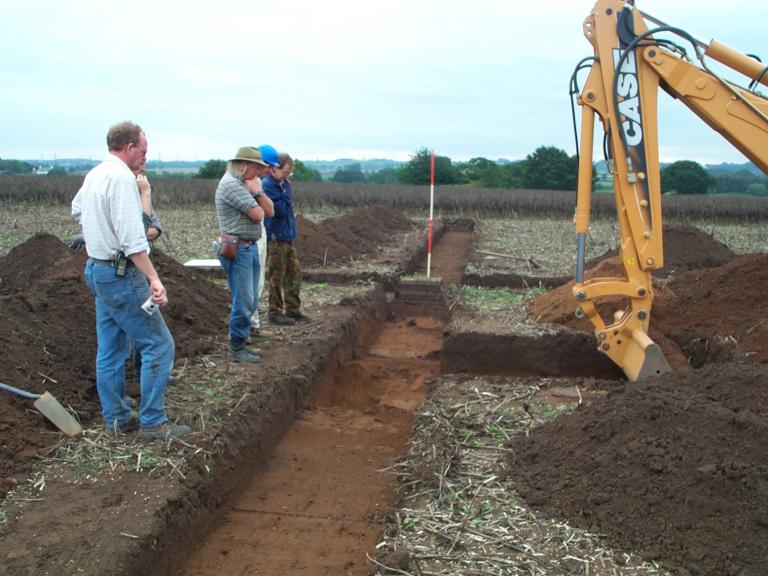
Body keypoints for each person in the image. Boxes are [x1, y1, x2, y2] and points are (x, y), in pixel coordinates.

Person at [71, 121, 190, 440]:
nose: (146, 159)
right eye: (144, 152)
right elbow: (132, 239)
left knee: (110, 347)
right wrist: (153, 277)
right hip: (123, 276)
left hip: (98, 271)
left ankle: (116, 418)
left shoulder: (95, 174)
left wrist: (96, 233)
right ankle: (152, 422)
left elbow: (77, 209)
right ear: (129, 148)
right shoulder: (122, 179)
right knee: (158, 344)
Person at [215, 145, 278, 363]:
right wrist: (256, 193)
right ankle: (236, 348)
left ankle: (241, 342)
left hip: (248, 247)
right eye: (256, 168)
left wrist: (258, 191)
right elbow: (258, 214)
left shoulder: (244, 184)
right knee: (244, 301)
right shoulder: (232, 185)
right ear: (245, 166)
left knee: (250, 300)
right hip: (238, 249)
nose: (258, 173)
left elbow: (271, 211)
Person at [262, 152, 311, 325]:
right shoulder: (268, 186)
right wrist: (284, 191)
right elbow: (279, 210)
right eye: (285, 172)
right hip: (276, 238)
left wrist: (284, 188)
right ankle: (275, 312)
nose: (288, 176)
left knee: (294, 274)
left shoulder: (284, 185)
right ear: (275, 168)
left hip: (288, 236)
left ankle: (293, 309)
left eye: (290, 173)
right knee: (277, 276)